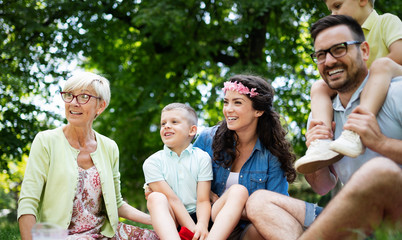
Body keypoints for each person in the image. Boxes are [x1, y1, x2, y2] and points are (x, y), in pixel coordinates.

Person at [246, 15, 402, 240]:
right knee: (259, 201)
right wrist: (316, 160)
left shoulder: (395, 92)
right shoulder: (321, 114)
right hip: (356, 221)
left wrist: (381, 144)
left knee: (378, 170)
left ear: (365, 51)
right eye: (321, 55)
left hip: (393, 213)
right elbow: (323, 187)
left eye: (339, 49)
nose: (329, 61)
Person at [17, 72, 159, 240]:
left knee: (160, 236)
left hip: (103, 233)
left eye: (84, 97)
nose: (73, 103)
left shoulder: (109, 147)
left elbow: (117, 203)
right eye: (69, 95)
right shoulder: (46, 141)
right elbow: (28, 202)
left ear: (100, 106)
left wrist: (156, 220)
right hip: (60, 236)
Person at [193, 75, 306, 239]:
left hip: (244, 231)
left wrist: (243, 209)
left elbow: (276, 208)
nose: (228, 109)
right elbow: (182, 171)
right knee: (238, 191)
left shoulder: (271, 155)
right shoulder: (207, 138)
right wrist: (206, 192)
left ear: (258, 111)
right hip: (204, 223)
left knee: (275, 225)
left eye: (237, 102)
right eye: (226, 102)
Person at [296, 0, 402, 173]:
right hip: (365, 81)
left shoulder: (386, 21)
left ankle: (355, 130)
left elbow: (399, 54)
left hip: (391, 73)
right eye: (330, 10)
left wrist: (367, 75)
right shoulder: (341, 34)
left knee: (381, 65)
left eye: (337, 6)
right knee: (318, 86)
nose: (333, 14)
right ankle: (321, 140)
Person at [143, 103, 248, 240]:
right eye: (163, 123)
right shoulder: (152, 162)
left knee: (239, 190)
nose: (166, 126)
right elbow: (172, 200)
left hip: (202, 217)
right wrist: (193, 232)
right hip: (173, 220)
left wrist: (202, 225)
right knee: (155, 198)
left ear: (192, 130)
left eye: (174, 122)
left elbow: (203, 200)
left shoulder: (202, 158)